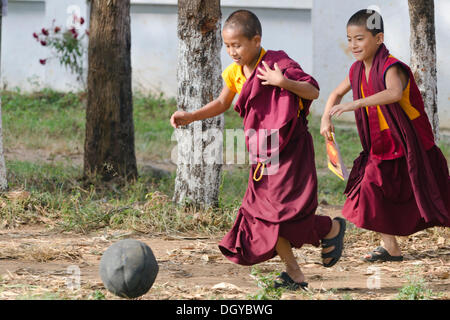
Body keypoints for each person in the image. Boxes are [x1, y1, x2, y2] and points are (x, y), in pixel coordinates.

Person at [170, 9, 346, 290]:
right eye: (227, 46)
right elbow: (222, 103)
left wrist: (283, 82)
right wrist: (190, 116)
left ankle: (328, 230)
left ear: (256, 40)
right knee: (260, 215)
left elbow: (312, 91)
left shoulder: (278, 64)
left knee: (282, 214)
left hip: (291, 151)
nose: (232, 52)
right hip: (263, 154)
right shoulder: (234, 72)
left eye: (237, 45)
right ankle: (300, 269)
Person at [321, 9, 450, 262]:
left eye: (360, 38)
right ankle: (390, 248)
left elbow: (392, 93)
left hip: (411, 145)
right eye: (349, 39)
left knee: (438, 196)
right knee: (370, 190)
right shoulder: (357, 69)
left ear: (379, 39)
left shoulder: (392, 67)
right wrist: (325, 118)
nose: (353, 45)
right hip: (381, 146)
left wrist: (355, 104)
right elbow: (335, 94)